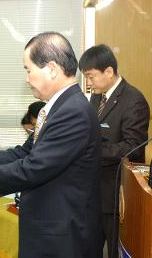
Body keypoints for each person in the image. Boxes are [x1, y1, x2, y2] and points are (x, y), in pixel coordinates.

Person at [0, 32, 103, 258]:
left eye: (28, 70)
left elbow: (33, 168)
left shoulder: (73, 112)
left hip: (61, 236)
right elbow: (25, 152)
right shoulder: (56, 108)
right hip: (48, 224)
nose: (26, 78)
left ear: (51, 68)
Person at [79, 44, 150, 258]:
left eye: (91, 77)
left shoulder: (133, 100)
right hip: (92, 191)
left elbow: (133, 147)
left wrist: (92, 151)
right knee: (88, 249)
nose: (88, 84)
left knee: (114, 252)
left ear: (109, 71)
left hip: (116, 194)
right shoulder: (97, 97)